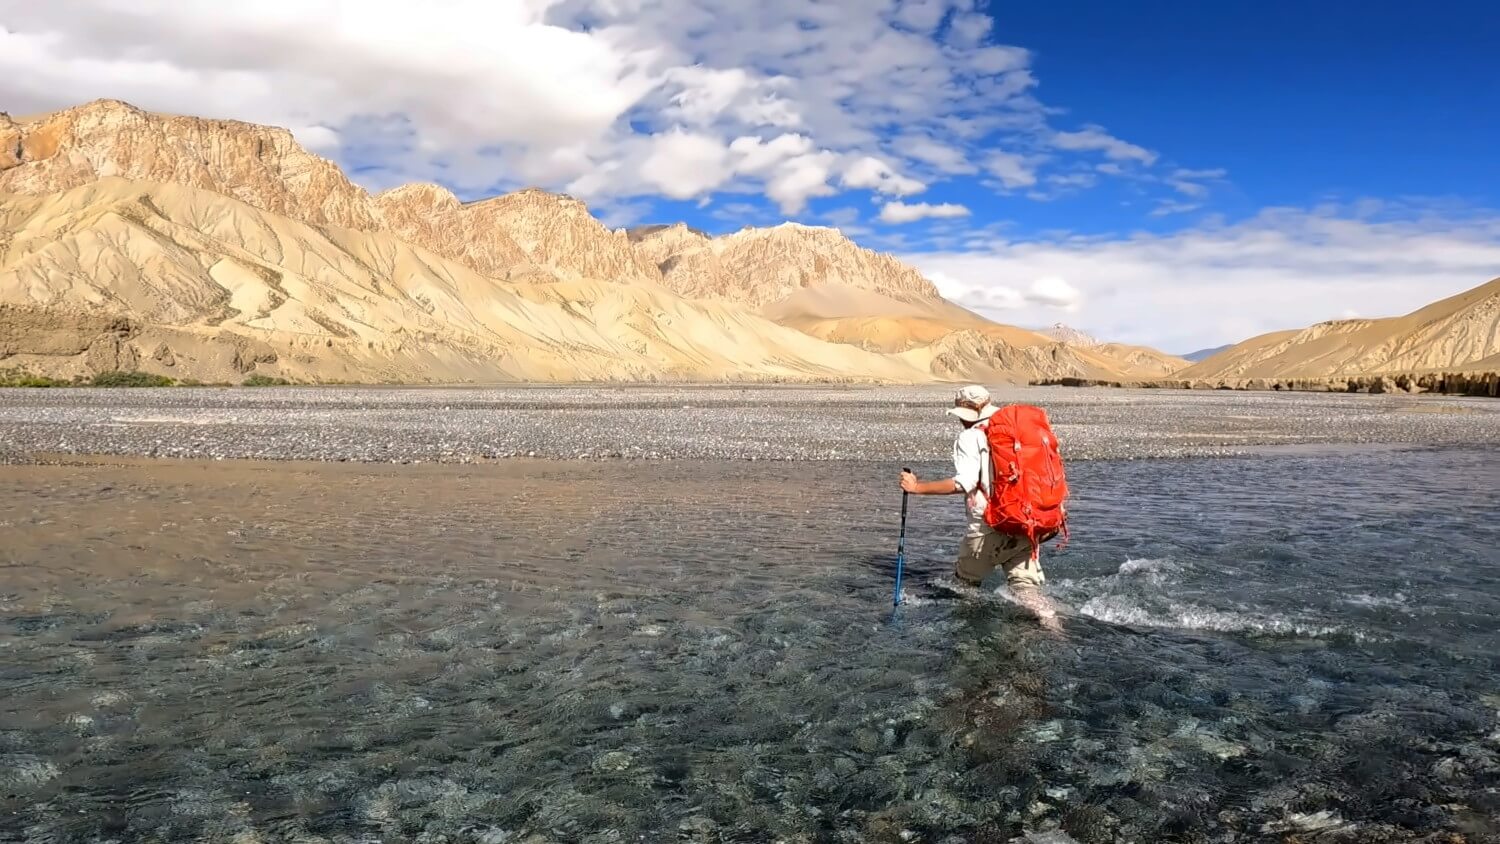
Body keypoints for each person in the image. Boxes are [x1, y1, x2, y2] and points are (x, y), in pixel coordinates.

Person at [899, 385, 1062, 631]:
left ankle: (969, 637)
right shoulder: (1018, 435)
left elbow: (964, 483)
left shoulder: (970, 436)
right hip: (1025, 522)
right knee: (1026, 590)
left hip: (989, 525)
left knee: (964, 584)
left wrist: (917, 488)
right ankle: (1056, 631)